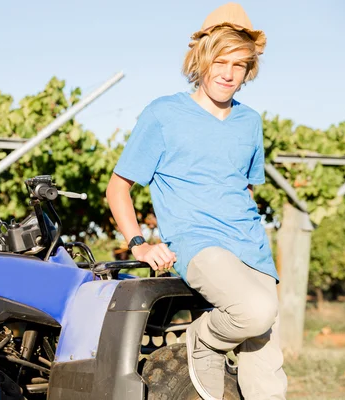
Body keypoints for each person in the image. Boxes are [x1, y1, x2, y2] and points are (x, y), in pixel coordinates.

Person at [106, 3, 287, 400]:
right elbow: (118, 187)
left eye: (239, 65)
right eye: (220, 61)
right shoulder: (164, 114)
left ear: (249, 70)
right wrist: (141, 242)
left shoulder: (249, 121)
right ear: (200, 59)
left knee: (267, 364)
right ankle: (204, 338)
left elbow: (243, 188)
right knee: (255, 312)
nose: (228, 73)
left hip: (251, 246)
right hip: (198, 242)